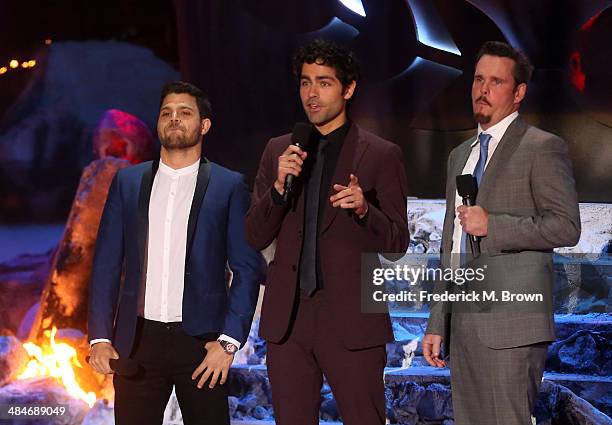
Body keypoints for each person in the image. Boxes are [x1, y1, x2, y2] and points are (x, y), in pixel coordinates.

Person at [245, 39, 409, 425]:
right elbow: (254, 235)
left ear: (348, 89)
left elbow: (398, 242)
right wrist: (279, 190)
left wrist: (366, 210)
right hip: (289, 320)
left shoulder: (381, 154)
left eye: (324, 82)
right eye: (305, 82)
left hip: (351, 319)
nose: (311, 94)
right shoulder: (278, 151)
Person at [87, 81, 265, 425]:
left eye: (185, 113)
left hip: (202, 344)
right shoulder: (128, 182)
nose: (174, 119)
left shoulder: (228, 185)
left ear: (204, 125)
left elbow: (246, 268)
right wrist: (99, 337)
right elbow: (106, 265)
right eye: (166, 113)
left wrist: (228, 343)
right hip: (137, 341)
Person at [423, 41, 581, 425]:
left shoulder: (542, 147)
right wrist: (437, 320)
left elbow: (566, 226)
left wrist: (494, 225)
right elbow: (452, 244)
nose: (483, 89)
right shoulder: (459, 156)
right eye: (478, 79)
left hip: (512, 323)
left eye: (496, 81)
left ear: (519, 92)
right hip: (463, 324)